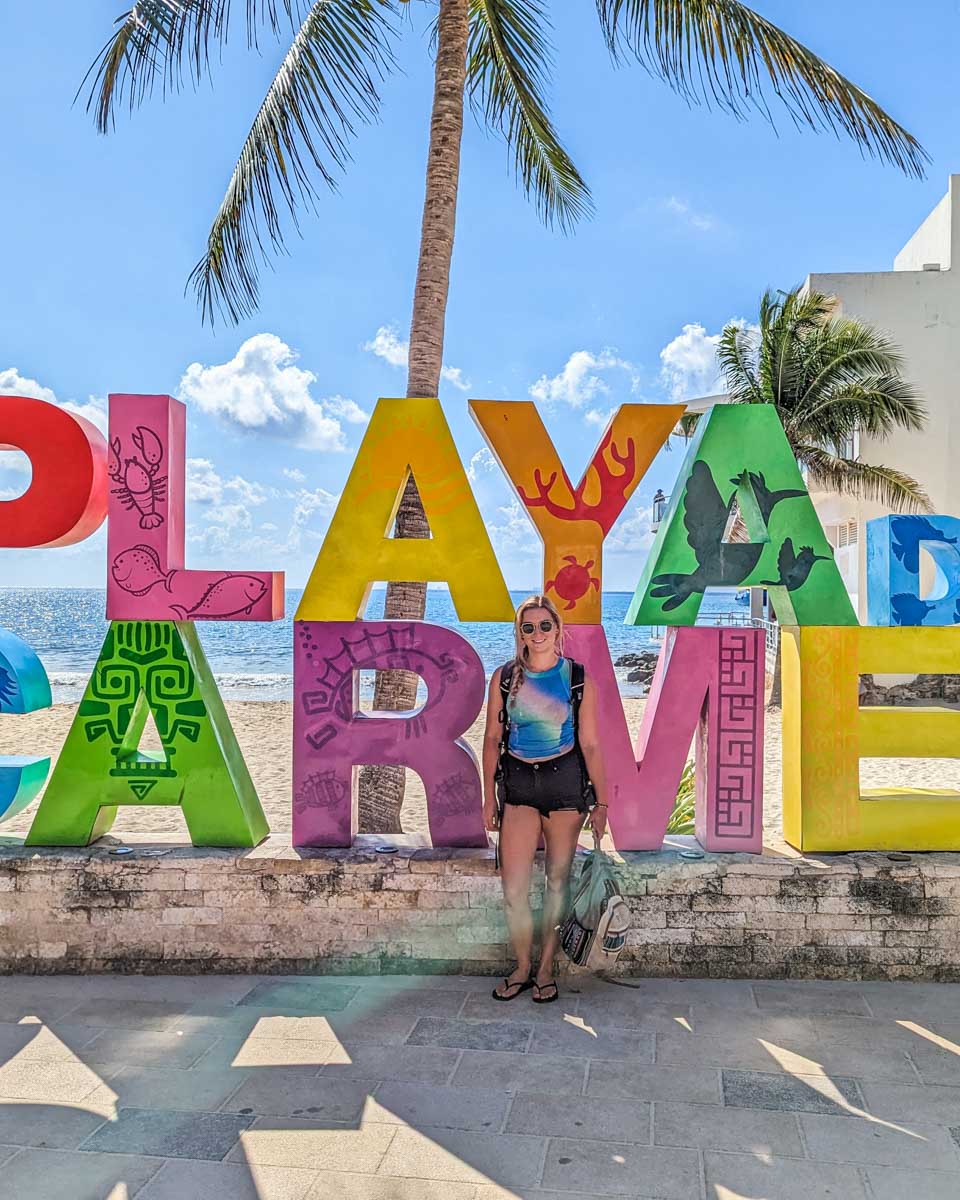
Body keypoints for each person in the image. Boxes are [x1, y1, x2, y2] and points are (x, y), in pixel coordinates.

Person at [482, 594, 608, 1003]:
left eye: (544, 626)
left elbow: (590, 744)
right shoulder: (503, 678)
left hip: (565, 787)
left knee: (557, 883)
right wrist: (489, 798)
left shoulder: (577, 678)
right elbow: (491, 739)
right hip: (518, 787)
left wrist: (601, 803)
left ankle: (545, 969)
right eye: (528, 627)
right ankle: (521, 967)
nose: (537, 634)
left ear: (558, 630)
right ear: (520, 632)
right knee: (513, 889)